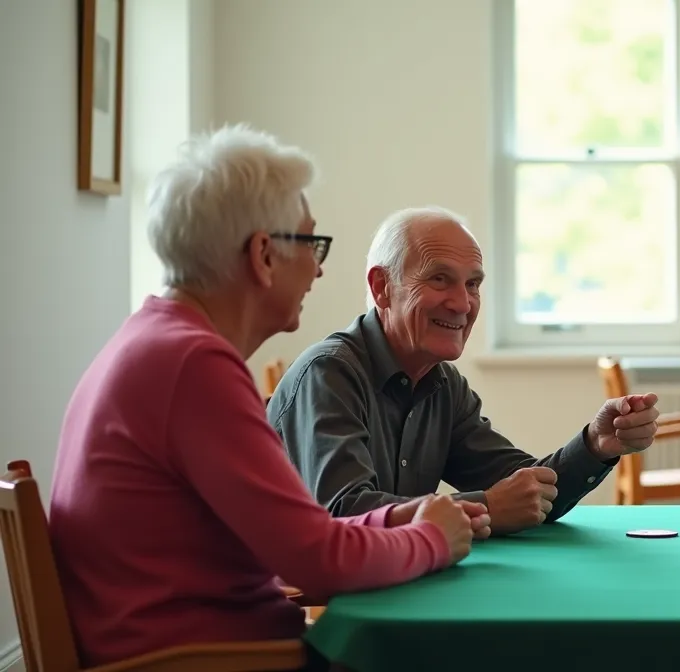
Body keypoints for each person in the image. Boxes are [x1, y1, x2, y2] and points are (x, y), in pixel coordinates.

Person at [48, 126, 489, 668]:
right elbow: (316, 561)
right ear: (262, 254)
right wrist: (433, 540)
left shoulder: (156, 340)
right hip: (212, 661)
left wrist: (399, 520)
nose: (319, 267)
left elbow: (300, 536)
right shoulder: (193, 365)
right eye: (310, 243)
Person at [268, 206, 661, 535]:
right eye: (440, 279)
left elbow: (524, 492)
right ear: (382, 287)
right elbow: (345, 515)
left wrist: (595, 445)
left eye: (473, 284)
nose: (462, 303)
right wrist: (486, 508)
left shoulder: (442, 384)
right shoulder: (330, 373)